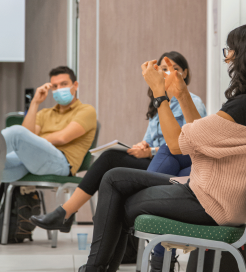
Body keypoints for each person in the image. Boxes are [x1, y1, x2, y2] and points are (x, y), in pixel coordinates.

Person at [75, 23, 246, 272]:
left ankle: (94, 269)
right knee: (114, 177)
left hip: (211, 203)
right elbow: (199, 137)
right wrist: (182, 94)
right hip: (220, 197)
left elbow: (175, 145)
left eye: (231, 51)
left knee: (116, 199)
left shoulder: (244, 107)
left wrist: (158, 94)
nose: (228, 58)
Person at [30, 51, 206, 233]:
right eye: (163, 69)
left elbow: (191, 143)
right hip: (153, 158)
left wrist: (151, 151)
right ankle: (69, 214)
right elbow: (148, 140)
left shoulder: (192, 102)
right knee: (110, 161)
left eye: (174, 69)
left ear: (184, 73)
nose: (168, 73)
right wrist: (142, 146)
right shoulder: (160, 101)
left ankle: (66, 212)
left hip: (171, 162)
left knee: (109, 159)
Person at [1, 66, 97, 184]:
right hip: (37, 159)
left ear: (75, 85)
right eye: (55, 86)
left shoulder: (86, 110)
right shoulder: (45, 113)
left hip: (62, 163)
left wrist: (32, 141)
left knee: (16, 132)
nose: (59, 89)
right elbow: (27, 134)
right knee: (2, 170)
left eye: (64, 84)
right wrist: (35, 102)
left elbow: (62, 138)